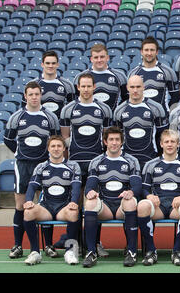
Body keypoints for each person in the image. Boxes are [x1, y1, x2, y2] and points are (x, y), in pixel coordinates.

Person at [4, 81, 60, 259]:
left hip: (44, 165)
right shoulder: (17, 117)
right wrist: (21, 153)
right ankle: (18, 245)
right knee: (21, 205)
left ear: (40, 95)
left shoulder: (50, 117)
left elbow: (55, 138)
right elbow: (9, 140)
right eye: (31, 94)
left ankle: (48, 245)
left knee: (46, 205)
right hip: (23, 165)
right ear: (25, 96)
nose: (34, 97)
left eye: (37, 94)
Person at [60, 73, 113, 256]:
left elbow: (107, 138)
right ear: (78, 87)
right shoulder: (68, 109)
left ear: (94, 87)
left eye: (89, 86)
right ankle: (73, 246)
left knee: (93, 204)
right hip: (75, 163)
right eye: (82, 86)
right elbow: (65, 138)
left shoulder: (104, 109)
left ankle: (95, 243)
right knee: (74, 204)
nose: (86, 89)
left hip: (96, 164)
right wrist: (66, 162)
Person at [82, 126, 142, 268]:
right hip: (106, 207)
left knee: (130, 202)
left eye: (117, 140)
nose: (114, 143)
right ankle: (91, 252)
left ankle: (131, 251)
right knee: (90, 203)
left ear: (122, 142)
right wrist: (90, 192)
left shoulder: (131, 161)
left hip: (122, 205)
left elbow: (137, 186)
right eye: (111, 140)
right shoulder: (96, 161)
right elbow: (89, 186)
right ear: (105, 142)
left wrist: (130, 192)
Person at [137, 129, 180, 266]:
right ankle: (151, 251)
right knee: (142, 205)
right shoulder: (151, 164)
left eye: (172, 141)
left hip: (176, 206)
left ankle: (177, 251)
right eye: (166, 142)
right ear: (161, 144)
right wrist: (149, 196)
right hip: (158, 205)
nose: (169, 144)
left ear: (178, 144)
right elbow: (144, 187)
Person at [22, 135, 82, 265]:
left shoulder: (73, 166)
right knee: (28, 212)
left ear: (64, 148)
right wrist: (28, 200)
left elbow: (76, 187)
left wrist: (73, 202)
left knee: (73, 212)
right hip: (46, 207)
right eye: (53, 146)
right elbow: (32, 186)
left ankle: (70, 251)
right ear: (48, 149)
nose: (56, 149)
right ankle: (35, 252)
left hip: (64, 206)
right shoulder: (41, 167)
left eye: (59, 146)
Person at [114, 75, 169, 170]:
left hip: (150, 159)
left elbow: (162, 136)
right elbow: (117, 138)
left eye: (138, 87)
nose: (135, 90)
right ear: (127, 88)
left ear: (144, 87)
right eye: (132, 87)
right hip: (127, 161)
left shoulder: (156, 108)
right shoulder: (119, 110)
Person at [127, 36, 180, 115]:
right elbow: (129, 98)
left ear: (157, 52)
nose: (149, 53)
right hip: (141, 116)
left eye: (152, 50)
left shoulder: (167, 71)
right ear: (141, 52)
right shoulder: (133, 73)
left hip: (162, 117)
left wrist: (168, 112)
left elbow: (175, 96)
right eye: (146, 50)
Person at [74, 43, 128, 111]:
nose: (99, 60)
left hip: (111, 120)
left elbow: (126, 99)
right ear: (91, 59)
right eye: (96, 57)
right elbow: (75, 101)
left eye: (102, 57)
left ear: (107, 58)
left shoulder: (120, 76)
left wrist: (116, 113)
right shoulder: (80, 77)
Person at [23, 50, 76, 119]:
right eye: (47, 63)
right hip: (40, 124)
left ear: (57, 64)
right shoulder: (32, 85)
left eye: (53, 63)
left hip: (60, 125)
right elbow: (25, 108)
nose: (50, 66)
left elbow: (72, 108)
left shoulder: (67, 85)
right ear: (42, 64)